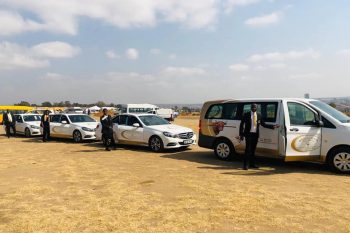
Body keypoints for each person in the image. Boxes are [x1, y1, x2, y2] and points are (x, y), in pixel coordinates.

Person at [239, 103, 279, 170]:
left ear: (257, 108)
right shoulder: (246, 115)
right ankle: (245, 165)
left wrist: (273, 126)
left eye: (255, 107)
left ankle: (252, 164)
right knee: (247, 150)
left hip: (255, 135)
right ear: (251, 107)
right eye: (252, 107)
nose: (254, 108)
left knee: (253, 150)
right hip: (248, 134)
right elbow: (241, 124)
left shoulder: (259, 115)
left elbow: (263, 124)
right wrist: (241, 134)